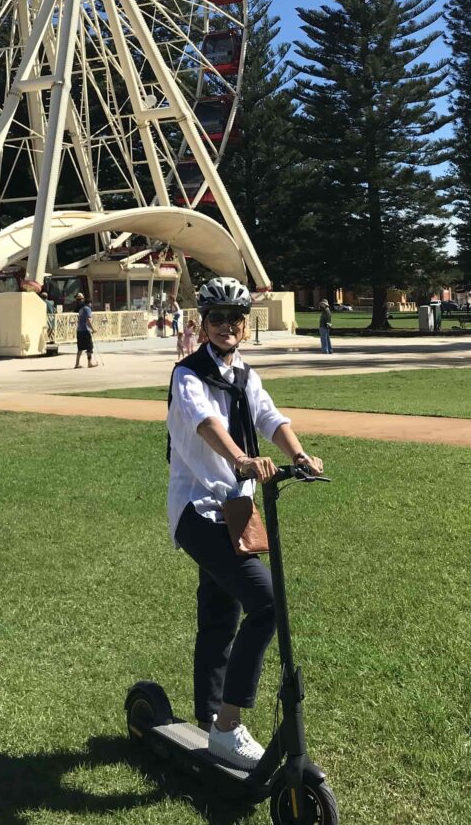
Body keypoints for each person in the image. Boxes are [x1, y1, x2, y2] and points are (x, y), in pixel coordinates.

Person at [166, 277, 324, 770]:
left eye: (236, 318)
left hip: (236, 513)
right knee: (267, 604)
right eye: (217, 318)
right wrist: (240, 459)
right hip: (199, 511)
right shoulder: (187, 374)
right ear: (201, 323)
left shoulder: (244, 374)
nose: (227, 327)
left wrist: (299, 454)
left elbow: (269, 417)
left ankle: (210, 715)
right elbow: (205, 423)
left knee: (220, 614)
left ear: (245, 325)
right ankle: (229, 725)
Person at [74, 291, 94, 368]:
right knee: (89, 347)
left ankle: (77, 364)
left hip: (79, 330)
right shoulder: (88, 309)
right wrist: (93, 329)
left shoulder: (81, 309)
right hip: (86, 330)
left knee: (80, 348)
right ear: (90, 303)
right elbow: (88, 320)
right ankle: (90, 363)